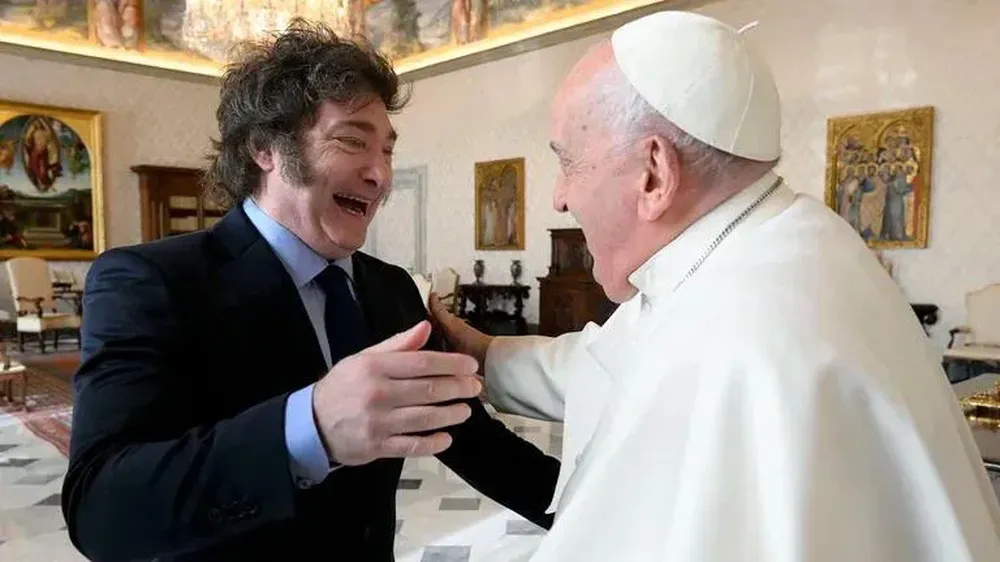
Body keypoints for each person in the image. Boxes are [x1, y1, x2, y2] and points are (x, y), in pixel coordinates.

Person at [429, 10, 1000, 562]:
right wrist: (478, 352)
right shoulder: (775, 242)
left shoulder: (740, 334)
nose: (559, 197)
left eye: (568, 163)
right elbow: (610, 364)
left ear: (654, 172)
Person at [62, 19, 559, 561]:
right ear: (265, 148)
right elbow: (101, 510)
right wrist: (311, 428)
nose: (380, 176)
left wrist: (616, 511)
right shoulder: (147, 282)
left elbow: (477, 443)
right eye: (351, 141)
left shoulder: (392, 291)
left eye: (388, 151)